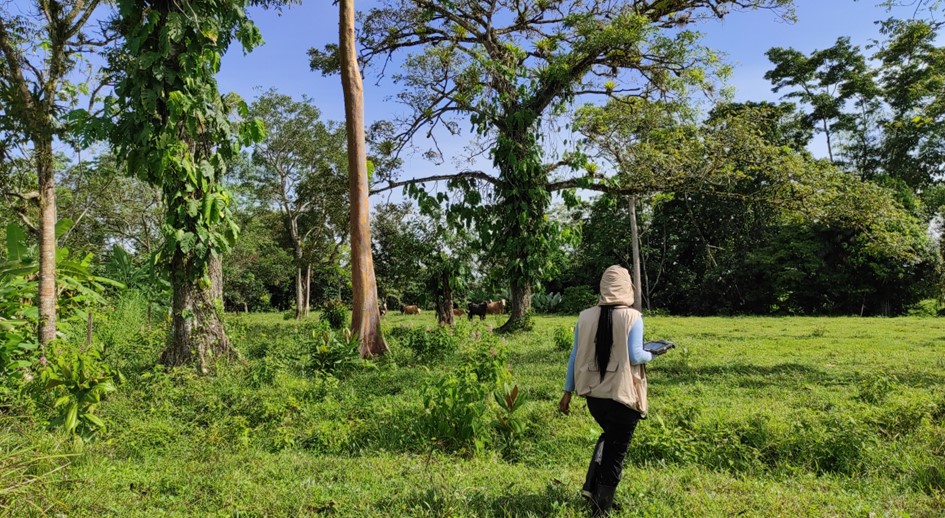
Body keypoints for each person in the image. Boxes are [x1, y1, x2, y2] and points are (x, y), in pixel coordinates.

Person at [558, 265, 665, 516]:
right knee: (616, 451)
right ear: (627, 287)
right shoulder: (632, 317)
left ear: (603, 287)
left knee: (609, 436)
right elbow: (636, 355)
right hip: (622, 397)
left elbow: (574, 356)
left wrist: (567, 392)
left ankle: (591, 490)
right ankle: (601, 508)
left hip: (594, 398)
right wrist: (655, 353)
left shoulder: (584, 316)